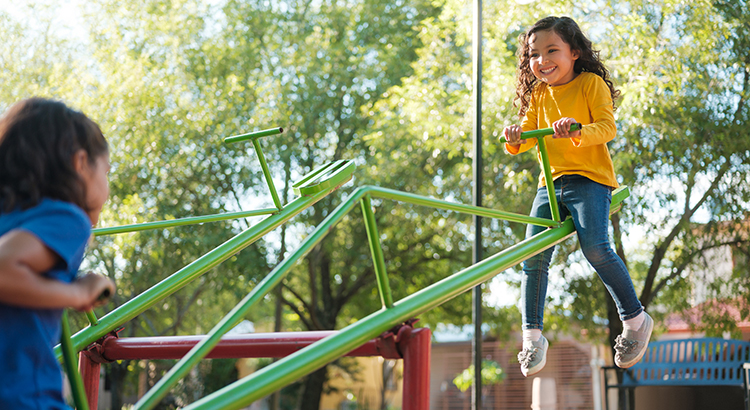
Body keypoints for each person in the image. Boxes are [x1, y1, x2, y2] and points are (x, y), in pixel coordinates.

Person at [502, 16, 652, 377]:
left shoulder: (590, 84)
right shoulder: (539, 93)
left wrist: (576, 129)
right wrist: (513, 137)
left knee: (596, 247)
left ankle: (634, 318)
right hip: (549, 183)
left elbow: (607, 127)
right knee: (533, 256)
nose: (542, 60)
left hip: (589, 179)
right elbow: (524, 137)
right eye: (534, 54)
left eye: (552, 50)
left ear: (575, 52)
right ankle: (533, 336)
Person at [0, 98, 116, 408]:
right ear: (81, 164)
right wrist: (76, 294)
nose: (107, 185)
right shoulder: (66, 218)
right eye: (107, 170)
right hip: (21, 397)